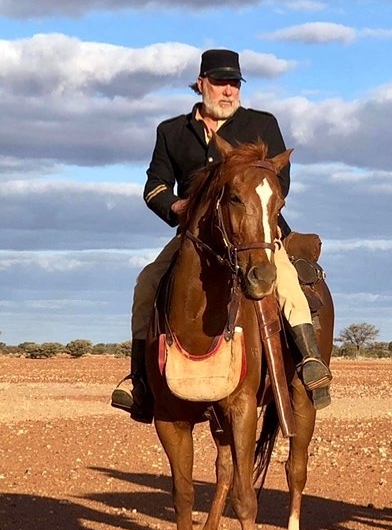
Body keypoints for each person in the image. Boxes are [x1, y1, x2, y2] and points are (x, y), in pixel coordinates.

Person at [111, 49, 332, 422]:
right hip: (196, 236)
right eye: (219, 83)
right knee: (147, 283)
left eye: (234, 84)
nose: (227, 91)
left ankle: (310, 362)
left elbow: (281, 182)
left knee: (288, 281)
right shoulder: (172, 132)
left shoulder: (262, 124)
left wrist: (253, 211)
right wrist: (178, 207)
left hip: (253, 232)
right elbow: (155, 185)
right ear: (201, 85)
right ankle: (140, 382)